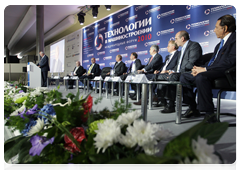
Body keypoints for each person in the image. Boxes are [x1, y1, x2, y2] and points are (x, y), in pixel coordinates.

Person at [180, 14, 238, 123]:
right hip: (214, 70)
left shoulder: (236, 40)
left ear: (224, 28)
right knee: (185, 77)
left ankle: (209, 114)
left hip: (228, 73)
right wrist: (200, 68)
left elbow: (230, 62)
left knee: (202, 77)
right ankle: (193, 108)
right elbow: (214, 61)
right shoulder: (219, 45)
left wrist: (205, 70)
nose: (214, 30)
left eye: (216, 27)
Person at [155, 30, 202, 113]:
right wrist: (172, 70)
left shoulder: (194, 46)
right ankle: (162, 99)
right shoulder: (181, 50)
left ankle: (171, 105)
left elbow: (192, 63)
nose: (175, 41)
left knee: (172, 77)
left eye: (176, 39)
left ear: (182, 38)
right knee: (160, 76)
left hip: (189, 72)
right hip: (181, 72)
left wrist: (178, 72)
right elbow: (178, 65)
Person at [147, 40, 180, 107]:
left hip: (171, 73)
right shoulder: (167, 56)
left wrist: (168, 71)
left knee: (154, 77)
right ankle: (162, 101)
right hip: (162, 73)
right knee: (157, 77)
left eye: (168, 46)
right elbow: (164, 66)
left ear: (173, 46)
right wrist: (159, 71)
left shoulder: (179, 54)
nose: (167, 47)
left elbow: (179, 65)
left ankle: (170, 104)